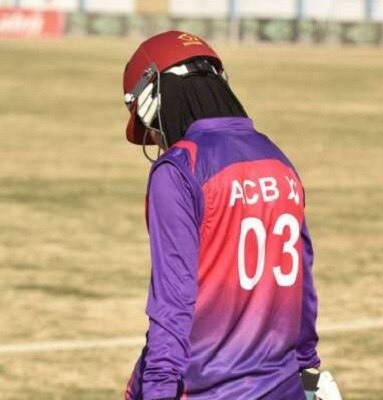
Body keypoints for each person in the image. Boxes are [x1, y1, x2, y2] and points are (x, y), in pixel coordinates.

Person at [121, 31, 340, 400]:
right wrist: (308, 367)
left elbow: (173, 301)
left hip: (208, 388)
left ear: (153, 100)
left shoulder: (180, 169)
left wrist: (157, 389)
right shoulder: (276, 158)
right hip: (283, 386)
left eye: (151, 126)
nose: (156, 138)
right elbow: (302, 280)